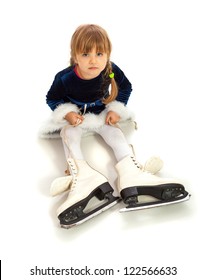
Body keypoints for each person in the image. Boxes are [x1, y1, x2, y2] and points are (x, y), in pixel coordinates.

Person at [45, 24, 190, 228]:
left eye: (99, 53)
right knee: (68, 135)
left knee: (114, 133)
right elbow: (52, 98)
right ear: (75, 56)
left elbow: (126, 88)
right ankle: (84, 176)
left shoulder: (111, 71)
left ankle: (131, 173)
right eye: (85, 54)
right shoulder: (64, 77)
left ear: (108, 55)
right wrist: (67, 114)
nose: (93, 60)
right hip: (78, 117)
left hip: (101, 114)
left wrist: (115, 110)